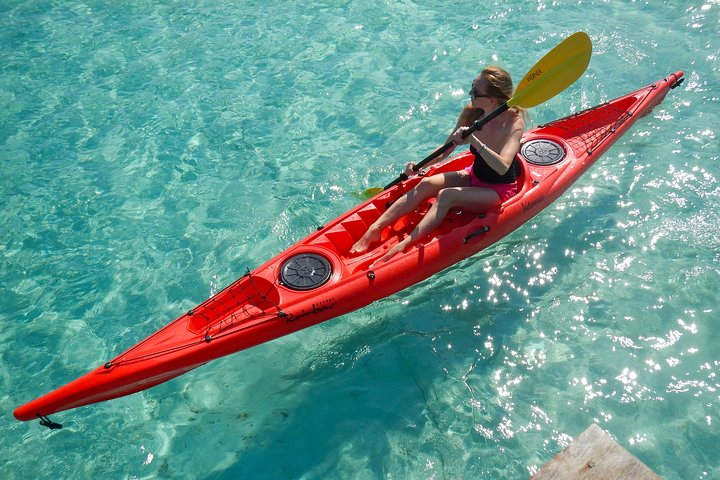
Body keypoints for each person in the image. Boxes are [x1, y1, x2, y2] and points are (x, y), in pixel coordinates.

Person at [350, 66, 526, 263]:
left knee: (445, 195)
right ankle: (374, 229)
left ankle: (404, 245)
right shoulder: (472, 113)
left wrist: (474, 141)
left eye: (475, 91)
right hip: (473, 175)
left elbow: (502, 166)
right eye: (471, 87)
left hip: (498, 190)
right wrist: (417, 168)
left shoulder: (513, 122)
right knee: (426, 184)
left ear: (493, 98)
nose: (470, 94)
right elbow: (445, 151)